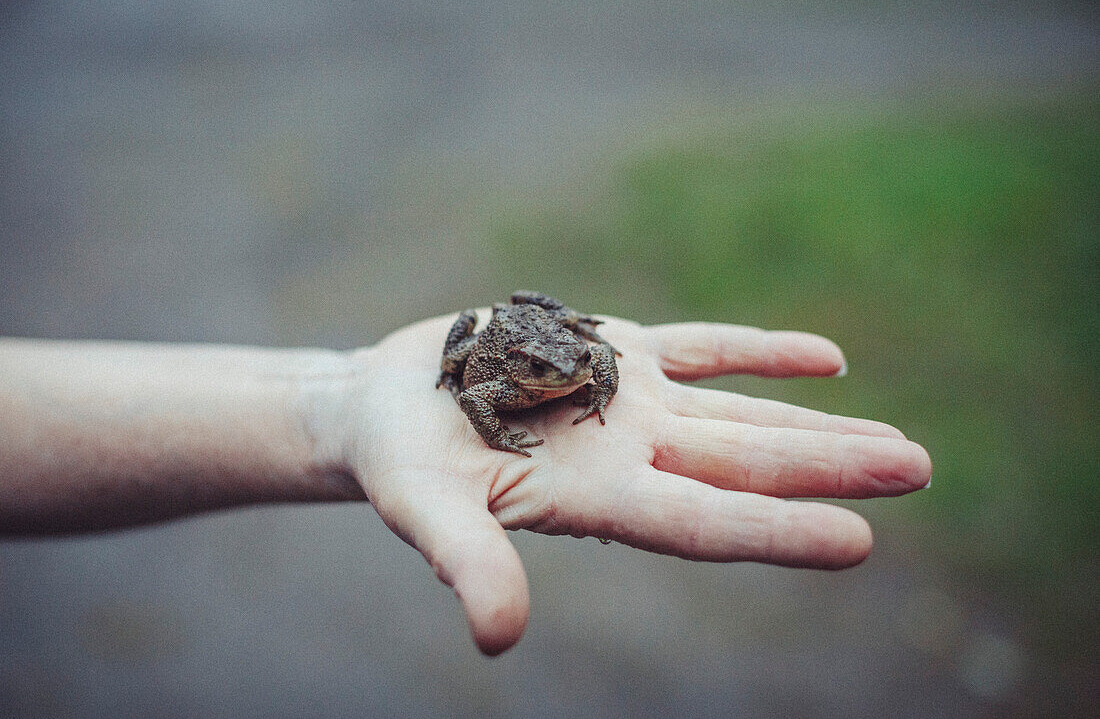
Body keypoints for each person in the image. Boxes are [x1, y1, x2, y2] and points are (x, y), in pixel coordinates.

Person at [0, 310, 931, 655]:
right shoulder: (500, 373)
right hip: (490, 335)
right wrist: (387, 399)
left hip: (533, 323)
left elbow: (595, 357)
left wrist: (593, 383)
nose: (573, 375)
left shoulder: (576, 360)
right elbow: (480, 402)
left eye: (576, 363)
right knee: (458, 363)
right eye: (559, 370)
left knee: (578, 349)